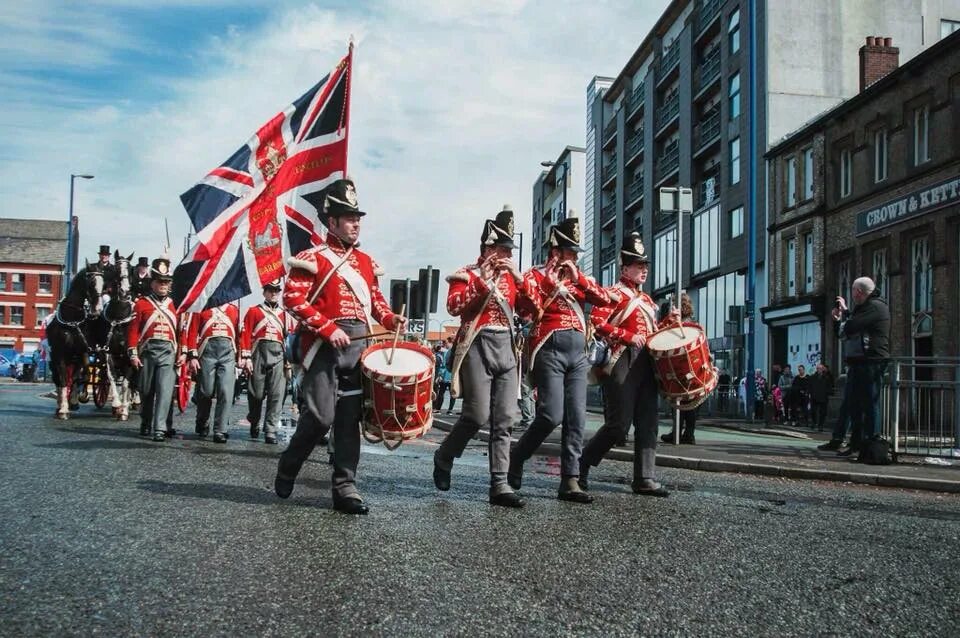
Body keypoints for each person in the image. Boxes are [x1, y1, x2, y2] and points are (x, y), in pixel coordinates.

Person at [274, 178, 405, 515]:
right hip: (323, 346)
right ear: (331, 222)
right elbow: (292, 299)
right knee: (320, 417)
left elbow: (376, 303)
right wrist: (327, 327)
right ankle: (290, 463)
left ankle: (345, 487)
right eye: (348, 217)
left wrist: (391, 320)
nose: (356, 223)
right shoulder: (311, 257)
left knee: (348, 420)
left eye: (357, 217)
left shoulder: (365, 262)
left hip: (358, 347)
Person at [508, 215, 611, 504]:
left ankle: (570, 480)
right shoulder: (535, 275)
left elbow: (605, 300)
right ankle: (518, 455)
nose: (575, 257)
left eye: (576, 253)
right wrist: (551, 283)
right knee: (551, 414)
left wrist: (577, 279)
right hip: (548, 347)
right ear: (555, 251)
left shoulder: (581, 279)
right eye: (570, 252)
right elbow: (524, 308)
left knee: (577, 417)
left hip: (578, 353)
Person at [433, 206, 530, 508]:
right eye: (501, 248)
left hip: (506, 346)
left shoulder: (514, 278)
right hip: (477, 343)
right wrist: (481, 282)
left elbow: (533, 310)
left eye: (508, 249)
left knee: (505, 419)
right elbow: (453, 306)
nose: (505, 253)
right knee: (476, 415)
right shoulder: (466, 274)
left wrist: (522, 281)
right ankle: (445, 454)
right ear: (487, 248)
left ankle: (499, 484)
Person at [580, 233, 679, 497]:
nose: (644, 270)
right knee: (618, 425)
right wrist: (625, 336)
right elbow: (597, 324)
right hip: (621, 360)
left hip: (646, 362)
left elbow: (653, 333)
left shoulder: (648, 301)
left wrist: (669, 322)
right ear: (624, 267)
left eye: (645, 266)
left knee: (648, 422)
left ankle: (645, 478)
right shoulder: (612, 294)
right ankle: (582, 464)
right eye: (638, 265)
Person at [832, 276, 890, 460]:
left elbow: (850, 327)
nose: (852, 295)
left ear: (859, 292)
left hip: (871, 361)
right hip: (859, 361)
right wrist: (842, 319)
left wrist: (847, 319)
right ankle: (856, 444)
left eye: (854, 291)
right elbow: (844, 331)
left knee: (871, 404)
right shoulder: (864, 308)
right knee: (855, 405)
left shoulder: (875, 307)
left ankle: (872, 445)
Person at [126, 257, 179, 442]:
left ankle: (160, 428)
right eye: (160, 282)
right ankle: (146, 421)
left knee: (165, 390)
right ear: (153, 283)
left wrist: (182, 355)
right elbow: (133, 331)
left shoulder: (176, 305)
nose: (163, 285)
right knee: (146, 391)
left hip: (168, 352)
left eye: (166, 282)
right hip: (148, 351)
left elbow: (180, 331)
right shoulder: (142, 304)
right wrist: (133, 352)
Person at [241, 280, 290, 445]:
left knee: (276, 395)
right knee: (256, 393)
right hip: (259, 353)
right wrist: (246, 357)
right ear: (264, 292)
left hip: (279, 355)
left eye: (276, 290)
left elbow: (289, 338)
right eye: (270, 290)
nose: (273, 293)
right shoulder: (254, 311)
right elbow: (246, 333)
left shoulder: (285, 314)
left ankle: (270, 430)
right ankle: (254, 420)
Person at [185, 301, 240, 443]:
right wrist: (193, 356)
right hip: (207, 351)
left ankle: (220, 430)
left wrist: (242, 356)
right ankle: (202, 421)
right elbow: (192, 330)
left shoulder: (234, 309)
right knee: (206, 391)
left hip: (227, 352)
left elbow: (240, 334)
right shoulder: (202, 307)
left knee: (225, 392)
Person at [659, 293, 696, 446]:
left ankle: (678, 433)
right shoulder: (694, 324)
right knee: (692, 404)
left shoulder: (677, 326)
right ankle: (689, 434)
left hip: (679, 368)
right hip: (693, 368)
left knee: (679, 402)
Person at [808, 363, 833, 432]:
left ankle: (820, 425)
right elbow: (809, 386)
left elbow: (829, 387)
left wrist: (827, 393)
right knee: (813, 411)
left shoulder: (826, 378)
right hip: (814, 397)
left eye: (820, 369)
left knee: (823, 412)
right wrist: (810, 393)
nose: (819, 370)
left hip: (823, 397)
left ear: (822, 370)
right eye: (818, 368)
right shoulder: (812, 377)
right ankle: (814, 422)